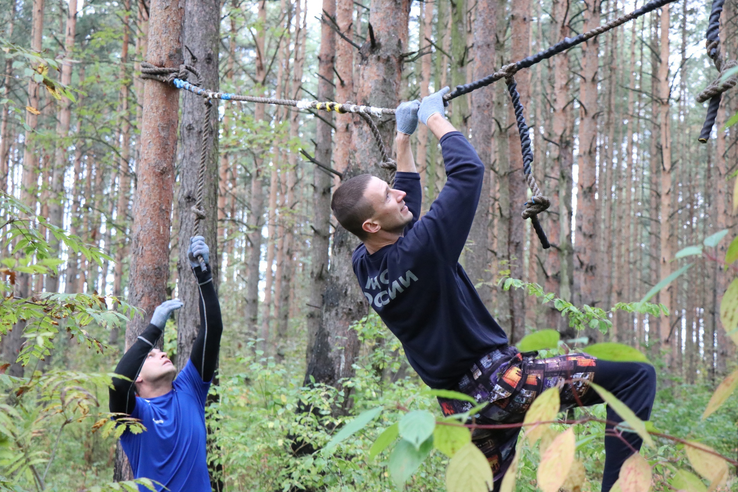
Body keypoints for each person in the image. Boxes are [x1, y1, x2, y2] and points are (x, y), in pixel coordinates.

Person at [330, 88, 656, 492]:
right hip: (506, 383)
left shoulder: (365, 262)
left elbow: (405, 209)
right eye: (387, 195)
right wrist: (434, 120)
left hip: (463, 407)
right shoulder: (424, 250)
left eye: (391, 187)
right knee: (636, 377)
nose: (397, 193)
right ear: (372, 226)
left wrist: (402, 140)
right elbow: (468, 172)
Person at [109, 236, 222, 492]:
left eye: (160, 351)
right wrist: (152, 329)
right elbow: (117, 382)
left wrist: (203, 276)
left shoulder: (190, 390)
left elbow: (212, 330)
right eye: (151, 355)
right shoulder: (134, 414)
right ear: (137, 378)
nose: (161, 354)